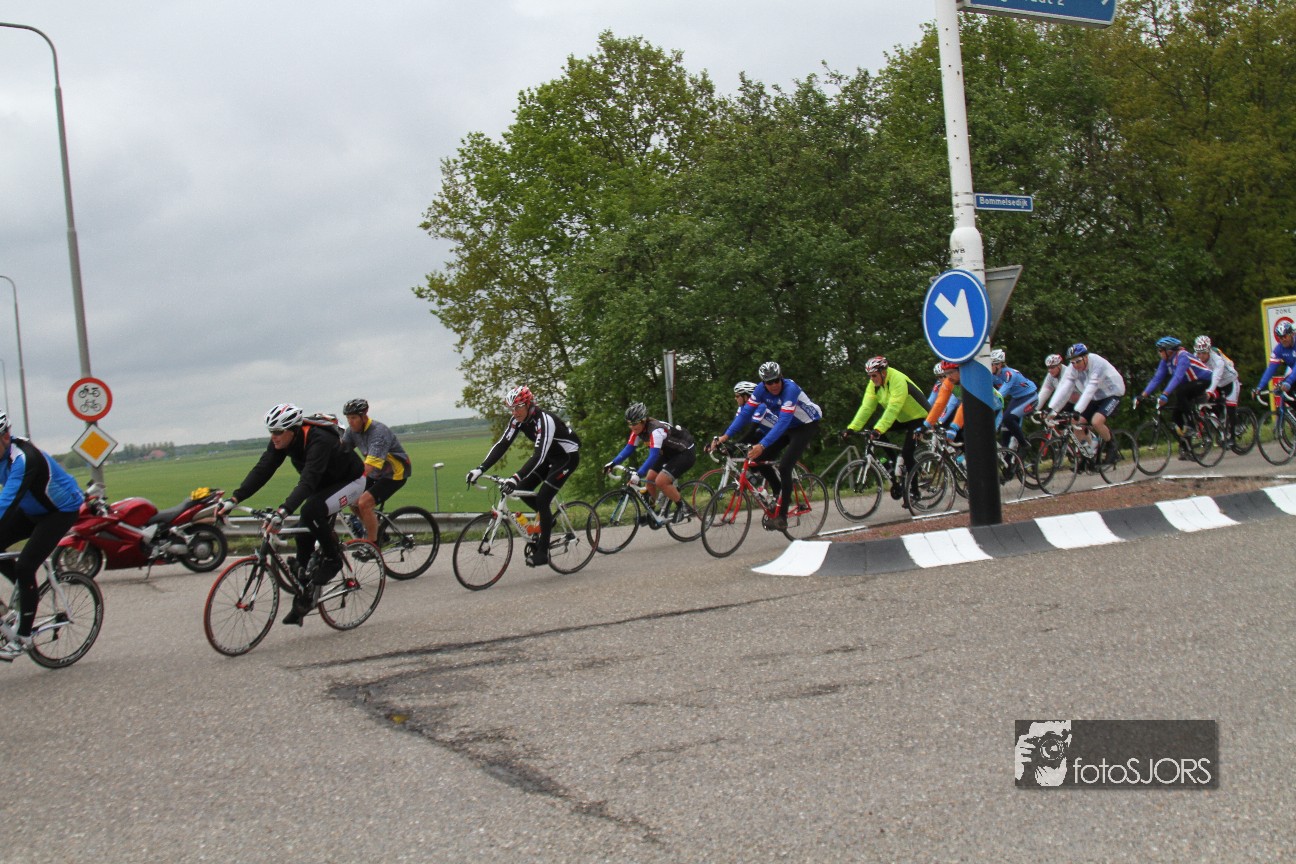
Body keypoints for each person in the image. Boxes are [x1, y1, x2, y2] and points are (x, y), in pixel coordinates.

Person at [226, 404, 366, 626]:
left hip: (351, 481)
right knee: (303, 534)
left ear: (293, 430)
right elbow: (263, 469)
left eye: (278, 432)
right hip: (324, 484)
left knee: (310, 511)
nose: (273, 437)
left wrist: (283, 511)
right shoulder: (282, 440)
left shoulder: (319, 439)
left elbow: (307, 481)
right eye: (271, 431)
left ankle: (333, 560)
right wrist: (235, 499)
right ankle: (304, 598)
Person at [0, 413, 85, 661]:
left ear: (5, 436)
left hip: (59, 511)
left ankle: (24, 636)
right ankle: (24, 593)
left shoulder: (24, 458)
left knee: (26, 566)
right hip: (31, 509)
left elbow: (8, 501)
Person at [466, 386, 580, 567]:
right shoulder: (517, 421)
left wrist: (515, 477)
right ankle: (548, 519)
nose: (515, 412)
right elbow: (502, 444)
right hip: (550, 456)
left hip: (566, 458)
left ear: (528, 404)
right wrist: (480, 469)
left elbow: (538, 455)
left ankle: (543, 553)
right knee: (521, 490)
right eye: (511, 408)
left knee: (542, 498)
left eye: (518, 407)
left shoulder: (544, 420)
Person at [711, 361, 823, 529]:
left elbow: (783, 421)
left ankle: (782, 517)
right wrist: (724, 437)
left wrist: (762, 445)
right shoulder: (760, 390)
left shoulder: (790, 389)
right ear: (763, 383)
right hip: (788, 426)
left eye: (776, 380)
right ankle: (778, 493)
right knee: (759, 461)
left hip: (806, 425)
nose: (773, 385)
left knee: (784, 466)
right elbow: (745, 414)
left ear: (781, 377)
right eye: (769, 382)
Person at [841, 356, 928, 500]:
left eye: (874, 375)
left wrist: (879, 429)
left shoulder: (897, 380)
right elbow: (867, 407)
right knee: (872, 429)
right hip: (901, 418)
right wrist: (852, 428)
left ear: (883, 372)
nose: (872, 379)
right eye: (869, 376)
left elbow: (893, 408)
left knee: (907, 453)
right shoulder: (874, 384)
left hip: (918, 417)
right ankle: (894, 464)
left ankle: (914, 491)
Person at [603, 402, 697, 523]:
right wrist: (613, 463)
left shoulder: (656, 431)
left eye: (634, 424)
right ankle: (652, 513)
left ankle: (683, 508)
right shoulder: (637, 430)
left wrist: (639, 474)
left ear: (643, 421)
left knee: (661, 481)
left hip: (684, 452)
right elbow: (629, 448)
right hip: (667, 452)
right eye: (629, 424)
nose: (632, 427)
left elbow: (653, 456)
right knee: (650, 479)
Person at [341, 398, 412, 543]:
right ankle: (378, 533)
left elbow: (369, 467)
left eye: (353, 418)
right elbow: (340, 453)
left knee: (364, 503)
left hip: (394, 473)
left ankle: (373, 544)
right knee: (352, 500)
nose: (350, 422)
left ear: (363, 417)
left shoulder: (378, 432)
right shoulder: (352, 432)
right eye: (348, 418)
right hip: (376, 473)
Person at [1134, 336, 1211, 458]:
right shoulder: (1165, 361)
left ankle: (1192, 426)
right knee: (1176, 416)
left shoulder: (1182, 356)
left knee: (1180, 392)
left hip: (1203, 379)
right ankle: (1186, 447)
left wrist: (1165, 394)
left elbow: (1177, 377)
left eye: (1160, 350)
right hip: (1188, 383)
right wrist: (1142, 395)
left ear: (1169, 350)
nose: (1159, 353)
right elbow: (1157, 379)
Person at [1046, 343, 1125, 463]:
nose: (1075, 365)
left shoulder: (1097, 363)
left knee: (1096, 421)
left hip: (1112, 393)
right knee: (1075, 422)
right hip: (1095, 397)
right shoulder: (1073, 368)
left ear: (1086, 357)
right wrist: (1051, 408)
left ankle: (1112, 447)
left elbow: (1090, 388)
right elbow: (1063, 388)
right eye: (1072, 362)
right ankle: (1087, 455)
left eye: (1078, 361)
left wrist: (1077, 410)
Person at [990, 348, 1038, 452]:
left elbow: (1001, 393)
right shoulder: (993, 375)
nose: (989, 367)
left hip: (1029, 396)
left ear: (998, 365)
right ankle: (1007, 454)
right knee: (1005, 428)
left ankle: (1024, 443)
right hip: (1017, 398)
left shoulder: (1009, 374)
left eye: (991, 364)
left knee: (1008, 418)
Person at [1194, 335, 1241, 439]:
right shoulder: (1196, 357)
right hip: (1216, 383)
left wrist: (1209, 391)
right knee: (1207, 402)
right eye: (1199, 353)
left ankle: (1232, 437)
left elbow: (1216, 377)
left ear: (1209, 351)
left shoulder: (1216, 359)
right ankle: (1219, 424)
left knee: (1230, 407)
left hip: (1229, 381)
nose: (1201, 356)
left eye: (1204, 353)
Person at [1253, 321, 1296, 396]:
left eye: (1285, 336)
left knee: (1288, 384)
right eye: (1280, 338)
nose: (1283, 340)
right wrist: (1260, 387)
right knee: (1283, 392)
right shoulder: (1279, 349)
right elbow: (1271, 369)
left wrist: (1289, 381)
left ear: (1292, 334)